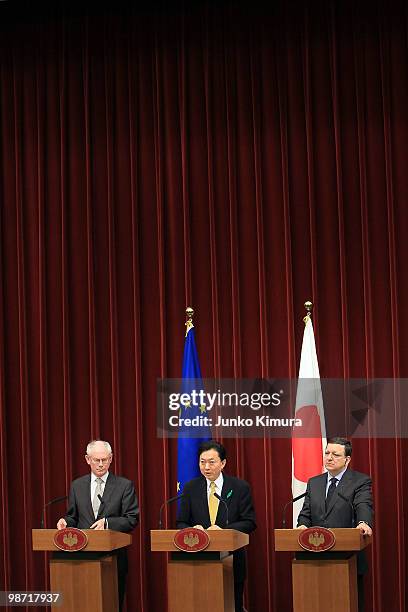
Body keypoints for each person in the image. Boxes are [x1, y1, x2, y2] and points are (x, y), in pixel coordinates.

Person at [56, 440, 139, 611]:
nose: (101, 464)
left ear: (111, 459)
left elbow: (132, 518)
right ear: (87, 459)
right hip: (81, 558)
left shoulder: (124, 485)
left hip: (113, 558)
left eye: (104, 460)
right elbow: (73, 517)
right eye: (96, 460)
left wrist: (108, 523)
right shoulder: (77, 485)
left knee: (111, 604)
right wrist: (66, 522)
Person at [176, 440, 256, 612]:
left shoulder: (240, 487)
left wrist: (224, 532)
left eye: (211, 462)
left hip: (231, 560)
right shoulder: (191, 488)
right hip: (198, 561)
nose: (206, 467)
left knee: (231, 606)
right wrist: (192, 530)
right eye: (202, 462)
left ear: (223, 463)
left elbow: (249, 522)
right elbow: (181, 522)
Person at [297, 437, 373, 611]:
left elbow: (363, 505)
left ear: (347, 460)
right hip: (314, 558)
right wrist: (302, 526)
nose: (329, 457)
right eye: (327, 453)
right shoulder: (314, 482)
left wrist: (363, 522)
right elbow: (306, 513)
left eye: (335, 454)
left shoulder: (360, 481)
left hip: (347, 557)